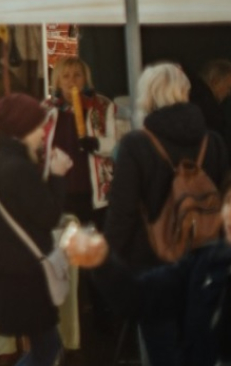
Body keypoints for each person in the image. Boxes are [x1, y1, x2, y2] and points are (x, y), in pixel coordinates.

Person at [104, 62, 230, 362]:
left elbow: (121, 214)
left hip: (153, 269)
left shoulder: (136, 144)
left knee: (161, 353)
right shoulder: (213, 142)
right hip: (205, 265)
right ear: (185, 93)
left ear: (147, 97)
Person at [0, 92, 72, 366]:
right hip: (28, 279)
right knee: (48, 349)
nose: (42, 133)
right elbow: (49, 216)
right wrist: (58, 178)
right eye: (38, 127)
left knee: (45, 347)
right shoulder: (21, 170)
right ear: (22, 130)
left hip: (3, 279)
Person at [41, 56, 117, 222]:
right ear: (58, 81)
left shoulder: (103, 106)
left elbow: (117, 144)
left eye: (77, 75)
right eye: (65, 76)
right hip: (59, 189)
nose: (71, 81)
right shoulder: (46, 109)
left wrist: (96, 143)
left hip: (94, 191)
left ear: (86, 79)